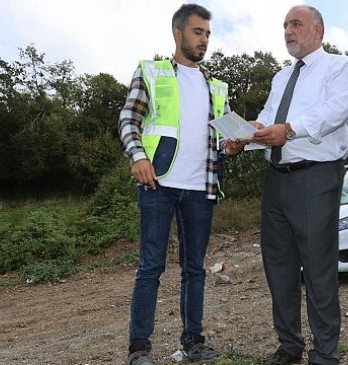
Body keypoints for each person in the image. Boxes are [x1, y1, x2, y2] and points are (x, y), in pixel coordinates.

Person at [117, 4, 243, 365]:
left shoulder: (217, 88)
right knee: (151, 267)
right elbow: (129, 119)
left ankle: (193, 343)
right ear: (178, 33)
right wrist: (138, 157)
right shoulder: (152, 72)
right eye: (197, 32)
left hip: (201, 190)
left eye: (207, 34)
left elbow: (222, 141)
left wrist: (231, 146)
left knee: (195, 269)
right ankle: (138, 350)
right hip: (158, 184)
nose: (203, 40)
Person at [248, 5, 348, 365]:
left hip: (316, 177)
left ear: (318, 31)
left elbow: (334, 111)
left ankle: (325, 354)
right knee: (278, 267)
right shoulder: (280, 77)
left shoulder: (340, 68)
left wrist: (290, 129)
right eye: (284, 25)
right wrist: (244, 136)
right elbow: (268, 119)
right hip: (276, 181)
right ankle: (289, 346)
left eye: (295, 24)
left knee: (318, 269)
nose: (288, 31)